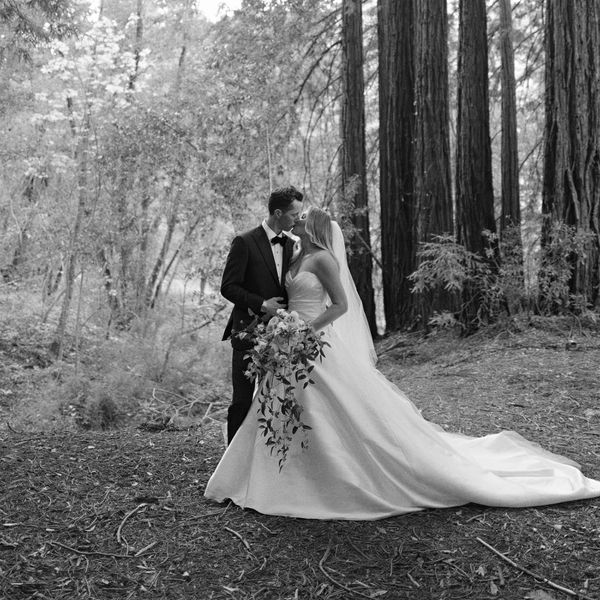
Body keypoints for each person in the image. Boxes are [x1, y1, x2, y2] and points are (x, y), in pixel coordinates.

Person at [206, 207, 600, 520]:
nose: (299, 220)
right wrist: (284, 326)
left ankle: (330, 478)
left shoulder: (324, 258)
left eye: (305, 218)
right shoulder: (295, 253)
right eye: (298, 215)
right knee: (274, 406)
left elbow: (340, 305)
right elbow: (280, 293)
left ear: (316, 228)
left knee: (331, 411)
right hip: (288, 343)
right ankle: (271, 476)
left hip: (312, 342)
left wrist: (307, 331)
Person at [220, 186, 304, 444]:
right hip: (247, 331)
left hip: (280, 336)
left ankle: (264, 460)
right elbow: (228, 287)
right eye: (294, 215)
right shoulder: (244, 241)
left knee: (273, 398)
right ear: (278, 213)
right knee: (243, 401)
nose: (297, 220)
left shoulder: (292, 245)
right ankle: (230, 462)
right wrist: (261, 304)